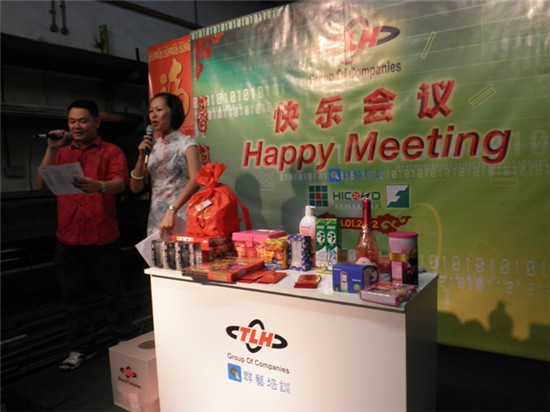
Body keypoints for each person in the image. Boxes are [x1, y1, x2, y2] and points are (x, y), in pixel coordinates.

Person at [36, 99, 137, 371]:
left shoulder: (110, 151)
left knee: (113, 293)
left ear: (96, 122)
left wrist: (99, 186)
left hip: (102, 235)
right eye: (72, 121)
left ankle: (124, 341)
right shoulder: (61, 152)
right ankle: (82, 347)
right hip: (68, 237)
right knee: (74, 298)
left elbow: (122, 183)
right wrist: (51, 148)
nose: (77, 126)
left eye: (82, 120)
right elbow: (41, 183)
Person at [129, 92, 201, 239]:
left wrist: (172, 209)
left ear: (173, 112)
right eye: (151, 111)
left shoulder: (187, 143)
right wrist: (141, 157)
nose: (153, 115)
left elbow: (196, 180)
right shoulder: (152, 145)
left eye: (159, 110)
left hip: (180, 213)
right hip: (156, 217)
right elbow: (135, 188)